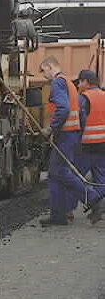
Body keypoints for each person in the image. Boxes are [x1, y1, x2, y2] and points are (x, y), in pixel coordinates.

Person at [39, 56, 103, 226]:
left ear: (49, 66)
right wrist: (78, 134)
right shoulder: (69, 83)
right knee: (56, 174)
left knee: (62, 172)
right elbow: (80, 115)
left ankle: (93, 198)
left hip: (65, 135)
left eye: (43, 71)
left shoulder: (58, 83)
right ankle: (58, 216)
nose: (44, 76)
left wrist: (51, 128)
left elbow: (63, 108)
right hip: (72, 135)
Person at [75, 69, 105, 224]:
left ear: (86, 82)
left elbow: (78, 121)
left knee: (73, 178)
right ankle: (97, 209)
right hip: (103, 146)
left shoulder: (83, 98)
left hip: (86, 145)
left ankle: (66, 211)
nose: (78, 85)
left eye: (79, 82)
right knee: (101, 180)